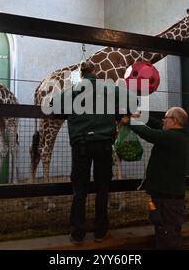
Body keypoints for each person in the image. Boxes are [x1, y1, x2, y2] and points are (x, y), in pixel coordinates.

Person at [52, 61, 133, 245]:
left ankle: (77, 233)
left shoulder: (74, 89)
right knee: (102, 189)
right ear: (95, 72)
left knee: (79, 190)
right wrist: (120, 115)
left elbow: (52, 105)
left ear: (81, 74)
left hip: (81, 145)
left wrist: (69, 114)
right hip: (103, 145)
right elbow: (133, 100)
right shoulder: (108, 88)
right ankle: (100, 231)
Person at [121, 107, 189, 249]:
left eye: (166, 117)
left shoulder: (173, 137)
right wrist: (140, 116)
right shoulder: (177, 135)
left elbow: (150, 134)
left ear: (175, 121)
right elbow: (157, 125)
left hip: (168, 203)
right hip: (166, 199)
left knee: (168, 237)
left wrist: (130, 121)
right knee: (166, 234)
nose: (163, 120)